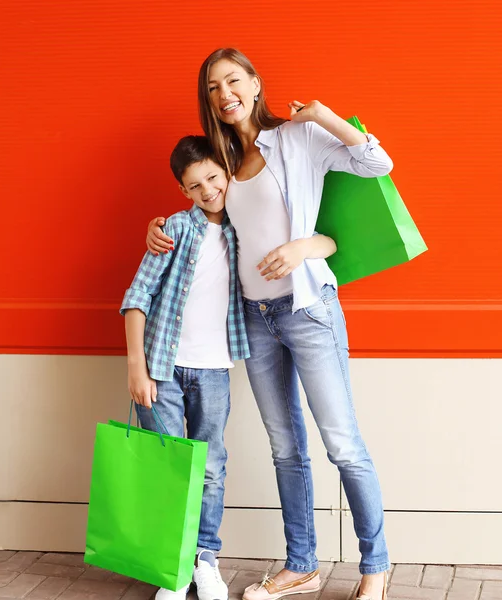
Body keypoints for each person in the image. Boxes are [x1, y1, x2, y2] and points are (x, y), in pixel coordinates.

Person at [145, 48, 394, 600]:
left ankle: (375, 567)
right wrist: (156, 226)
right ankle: (301, 564)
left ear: (255, 84)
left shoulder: (295, 140)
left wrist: (323, 117)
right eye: (212, 86)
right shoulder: (222, 161)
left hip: (307, 310)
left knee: (342, 444)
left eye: (233, 80)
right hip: (256, 320)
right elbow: (200, 217)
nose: (224, 93)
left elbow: (377, 163)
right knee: (286, 447)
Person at [121, 134, 337, 600]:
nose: (208, 190)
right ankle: (171, 569)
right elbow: (137, 297)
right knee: (167, 468)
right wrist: (137, 369)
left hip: (214, 371)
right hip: (162, 369)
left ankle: (205, 560)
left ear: (227, 172)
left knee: (211, 467)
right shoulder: (175, 229)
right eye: (195, 185)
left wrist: (309, 246)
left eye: (214, 178)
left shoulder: (242, 230)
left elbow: (315, 240)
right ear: (184, 191)